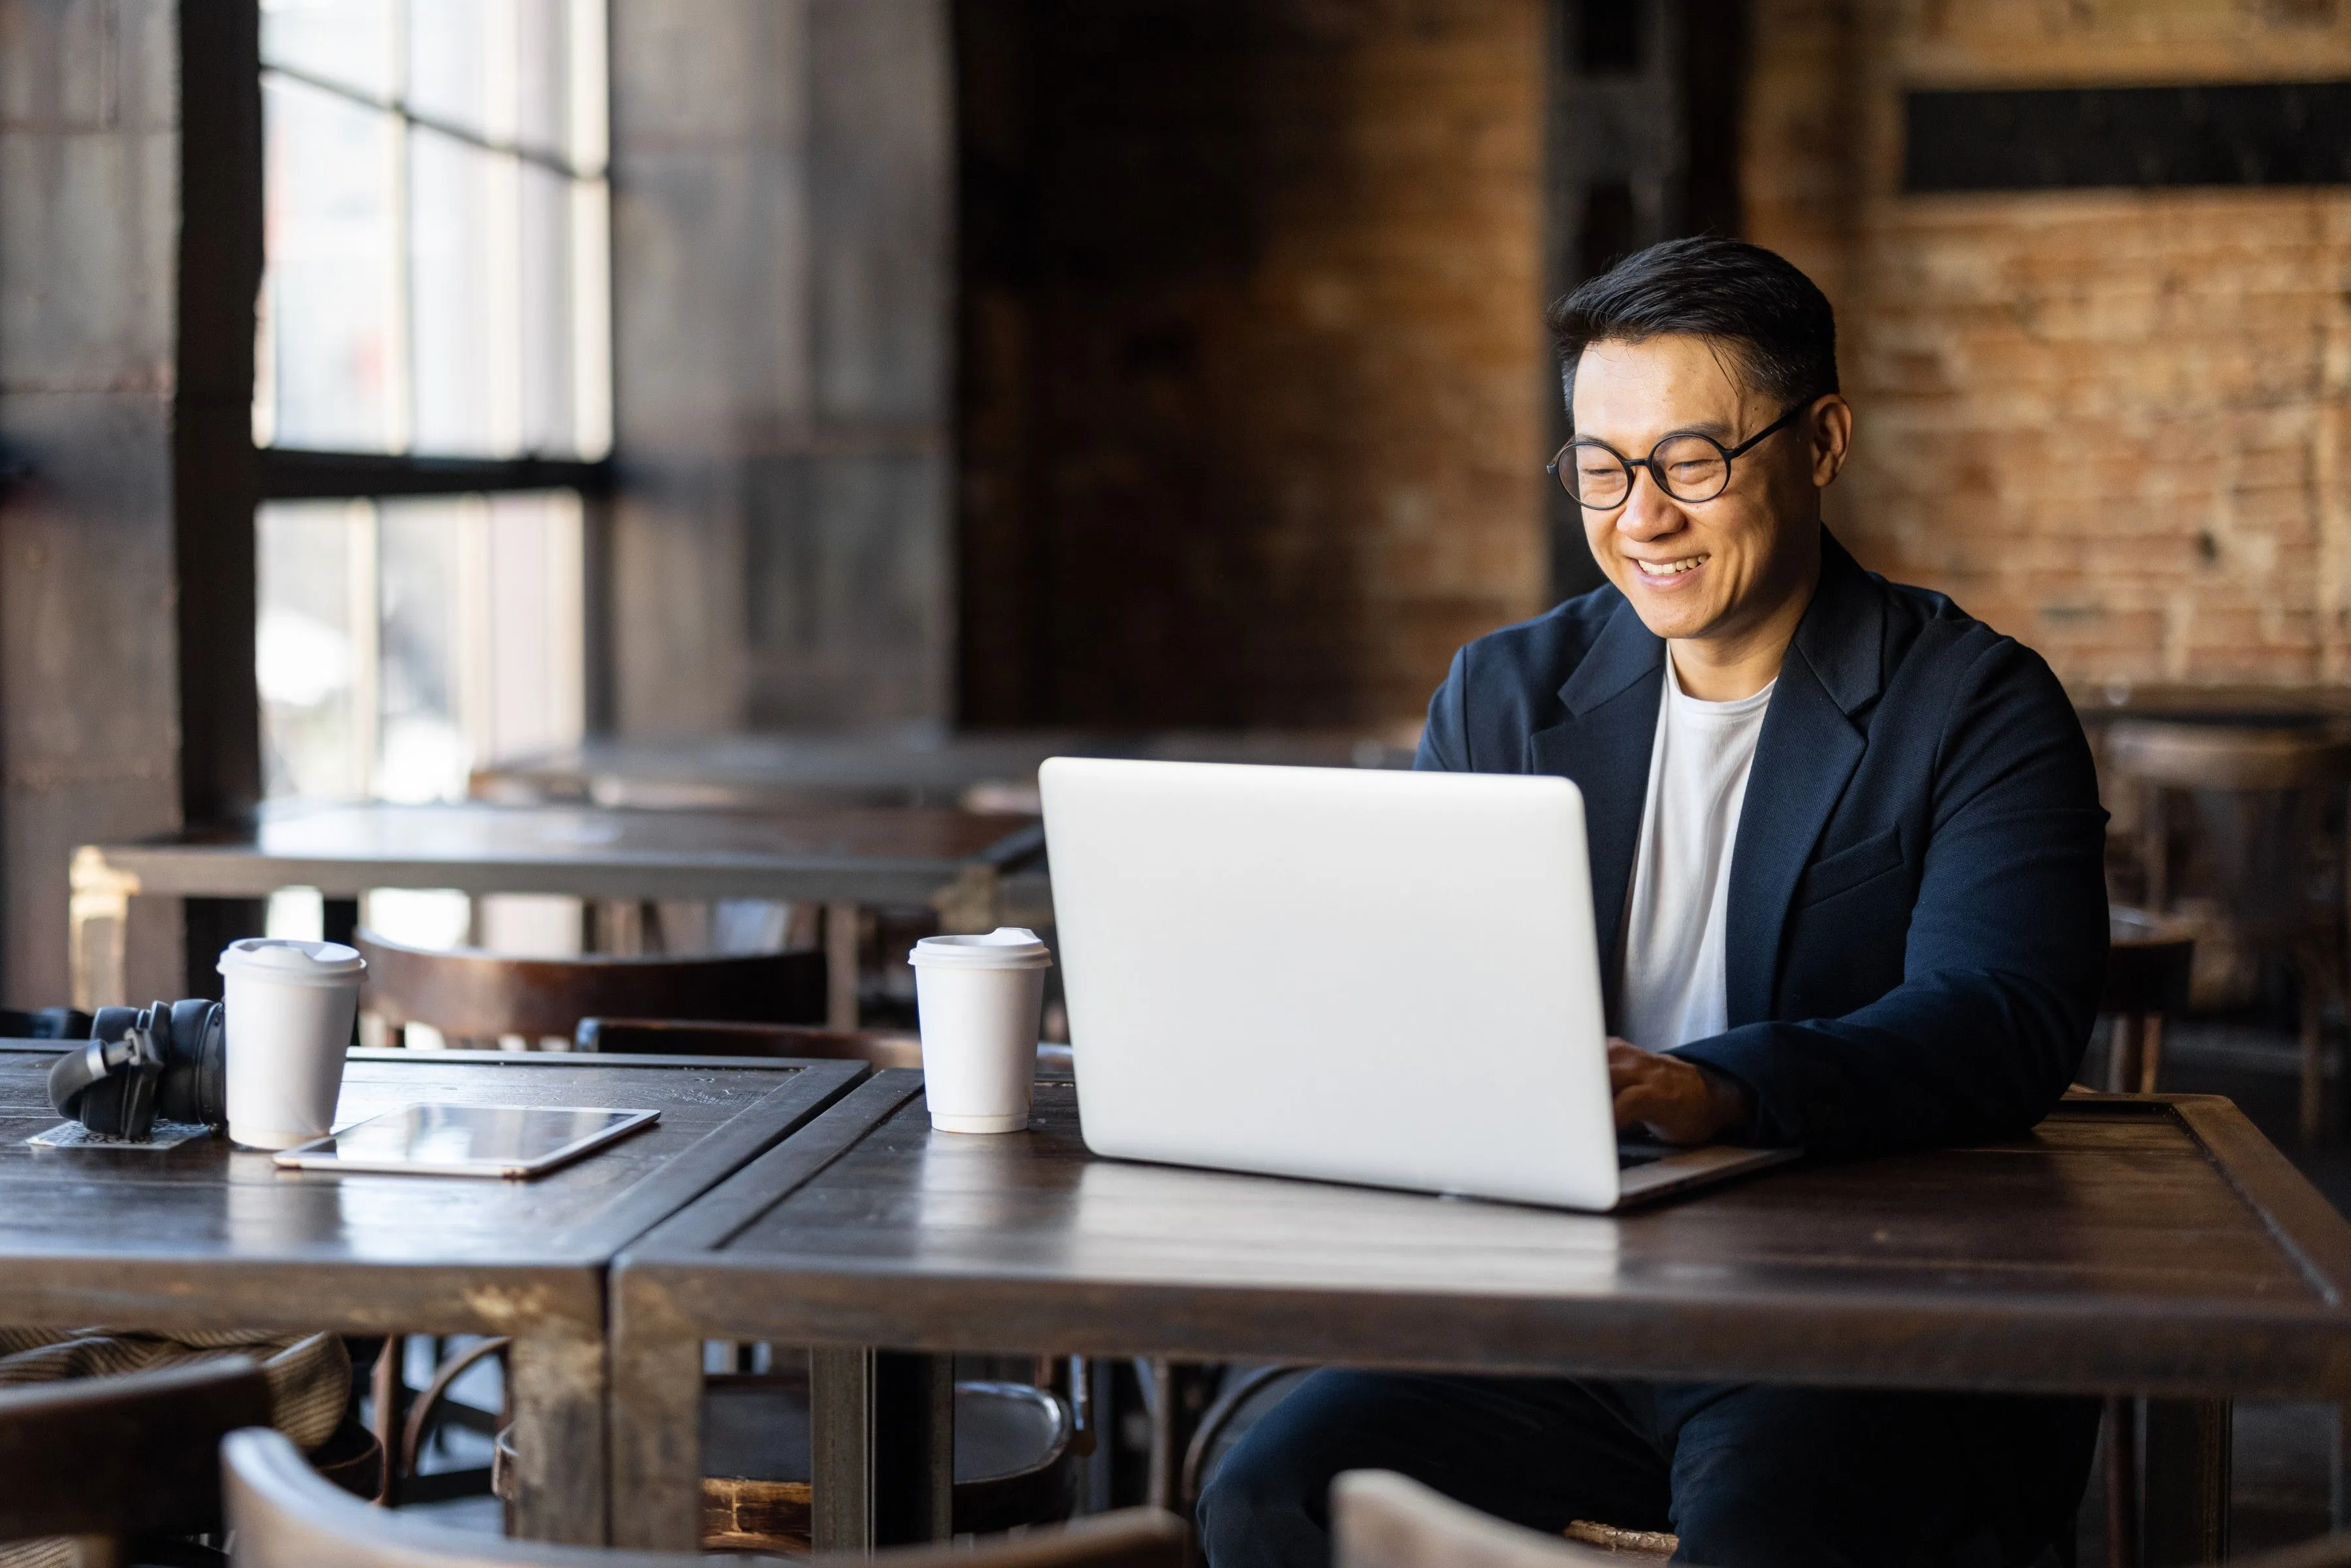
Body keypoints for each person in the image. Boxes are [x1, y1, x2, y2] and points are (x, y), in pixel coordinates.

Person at [1196, 237, 2109, 1568]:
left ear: (1823, 442)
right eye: (1602, 470)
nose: (1642, 519)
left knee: (1768, 1533)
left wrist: (1714, 1088)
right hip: (1553, 1302)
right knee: (1273, 1494)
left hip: (1834, 1317)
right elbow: (1419, 1002)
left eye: (1692, 462)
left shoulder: (1974, 702)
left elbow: (2001, 1019)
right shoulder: (1505, 695)